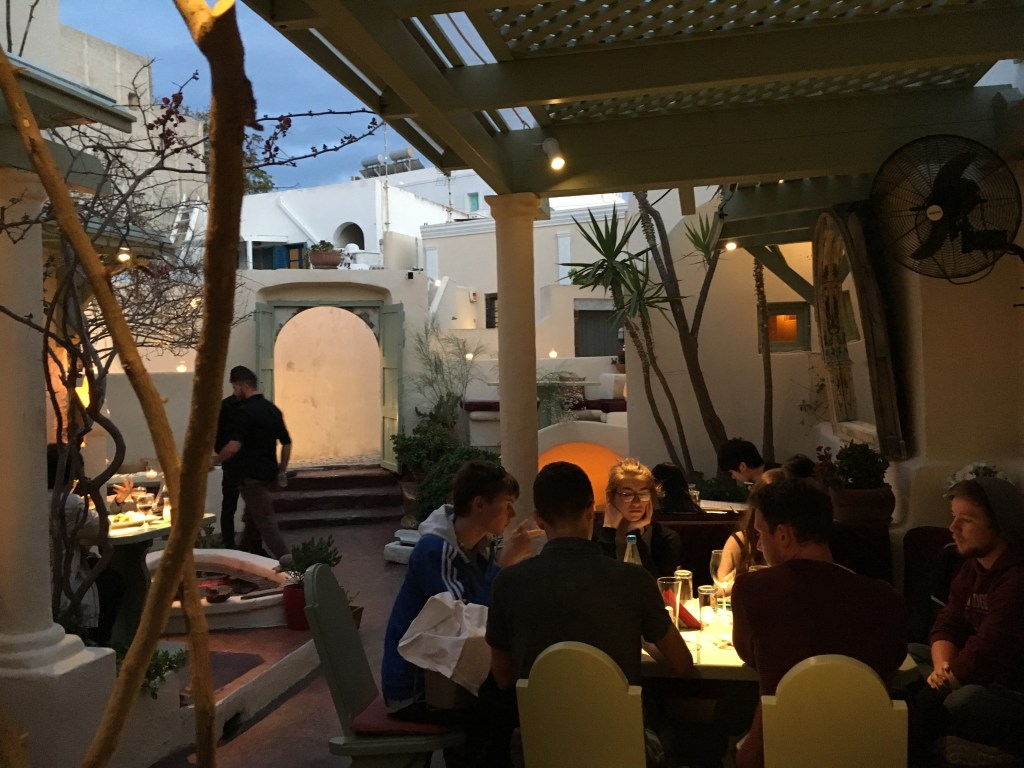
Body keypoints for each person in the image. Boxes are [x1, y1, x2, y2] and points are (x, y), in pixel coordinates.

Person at [488, 461, 693, 766]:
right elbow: (682, 663)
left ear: (539, 519)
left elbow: (503, 677)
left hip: (541, 747)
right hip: (622, 748)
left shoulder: (507, 583)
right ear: (589, 512)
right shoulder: (633, 581)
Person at [731, 477, 906, 768]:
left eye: (760, 534)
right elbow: (894, 659)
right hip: (867, 753)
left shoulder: (751, 589)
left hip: (777, 751)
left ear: (783, 535)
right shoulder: (885, 597)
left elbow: (749, 656)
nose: (759, 545)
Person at [381, 460, 537, 719]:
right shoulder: (435, 551)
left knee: (515, 692)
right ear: (479, 504)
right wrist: (503, 565)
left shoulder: (480, 548)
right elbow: (466, 625)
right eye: (507, 504)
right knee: (510, 703)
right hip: (418, 688)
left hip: (446, 674)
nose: (512, 514)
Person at [911, 477, 1024, 760]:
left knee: (963, 701)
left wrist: (940, 686)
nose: (953, 528)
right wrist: (942, 668)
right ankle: (974, 748)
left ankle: (1000, 754)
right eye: (953, 518)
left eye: (966, 520)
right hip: (974, 672)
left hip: (1009, 688)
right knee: (912, 654)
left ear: (998, 524)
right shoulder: (972, 567)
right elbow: (947, 623)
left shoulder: (1016, 577)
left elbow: (988, 648)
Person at [214, 366, 292, 562]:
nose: (234, 392)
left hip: (250, 476)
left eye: (235, 387)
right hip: (268, 473)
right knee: (252, 518)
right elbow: (287, 443)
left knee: (265, 521)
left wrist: (214, 461)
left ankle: (292, 565)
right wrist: (282, 470)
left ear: (242, 386)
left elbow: (233, 446)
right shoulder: (272, 409)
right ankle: (243, 553)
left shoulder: (244, 412)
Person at [595, 458, 682, 577]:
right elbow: (597, 579)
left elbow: (657, 584)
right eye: (627, 494)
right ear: (611, 497)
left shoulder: (666, 538)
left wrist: (633, 533)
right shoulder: (594, 534)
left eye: (643, 494)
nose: (636, 503)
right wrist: (609, 531)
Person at [715, 468, 787, 587]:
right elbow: (719, 588)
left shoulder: (796, 554)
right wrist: (743, 572)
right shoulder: (741, 540)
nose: (759, 546)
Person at [214, 380, 244, 548]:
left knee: (251, 509)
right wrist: (222, 454)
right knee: (229, 506)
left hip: (245, 463)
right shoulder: (225, 406)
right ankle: (229, 544)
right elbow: (218, 433)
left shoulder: (250, 405)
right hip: (233, 462)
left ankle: (248, 543)